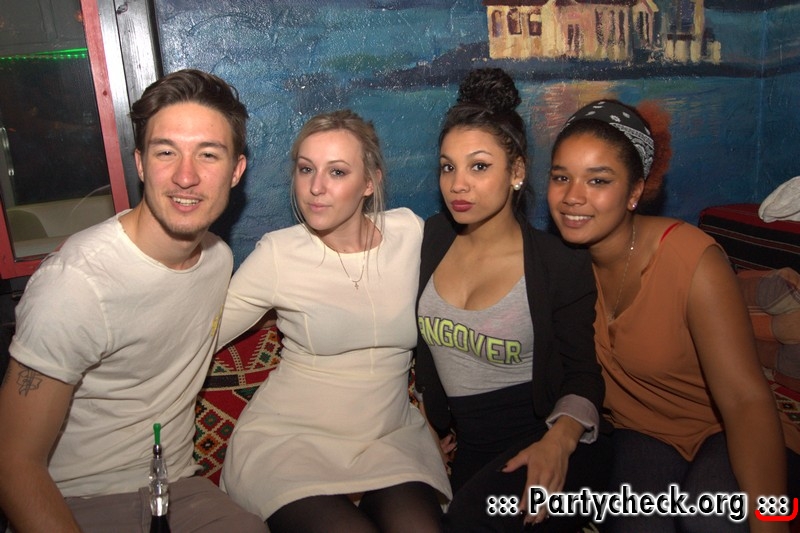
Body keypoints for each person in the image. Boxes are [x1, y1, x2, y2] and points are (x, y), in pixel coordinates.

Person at [0, 69, 265, 532]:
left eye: (208, 154)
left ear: (236, 171)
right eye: (166, 152)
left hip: (180, 489)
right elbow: (12, 461)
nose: (186, 176)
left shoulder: (217, 259)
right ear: (140, 164)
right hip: (80, 499)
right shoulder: (76, 285)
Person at [547, 99, 790, 532]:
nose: (572, 197)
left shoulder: (692, 259)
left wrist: (771, 523)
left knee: (710, 517)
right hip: (639, 434)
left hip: (722, 428)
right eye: (561, 177)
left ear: (635, 191)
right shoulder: (556, 266)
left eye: (598, 180)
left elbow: (745, 402)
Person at [218, 109, 451, 533]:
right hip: (291, 443)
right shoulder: (279, 253)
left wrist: (433, 413)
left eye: (337, 172)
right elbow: (200, 336)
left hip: (389, 441)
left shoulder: (410, 233)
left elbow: (455, 324)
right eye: (306, 169)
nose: (316, 187)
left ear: (370, 182)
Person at [414, 67, 612, 532]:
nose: (458, 184)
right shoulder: (430, 238)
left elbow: (583, 374)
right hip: (469, 446)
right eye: (448, 166)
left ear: (517, 171)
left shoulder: (557, 262)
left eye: (479, 166)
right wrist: (420, 425)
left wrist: (559, 441)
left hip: (545, 441)